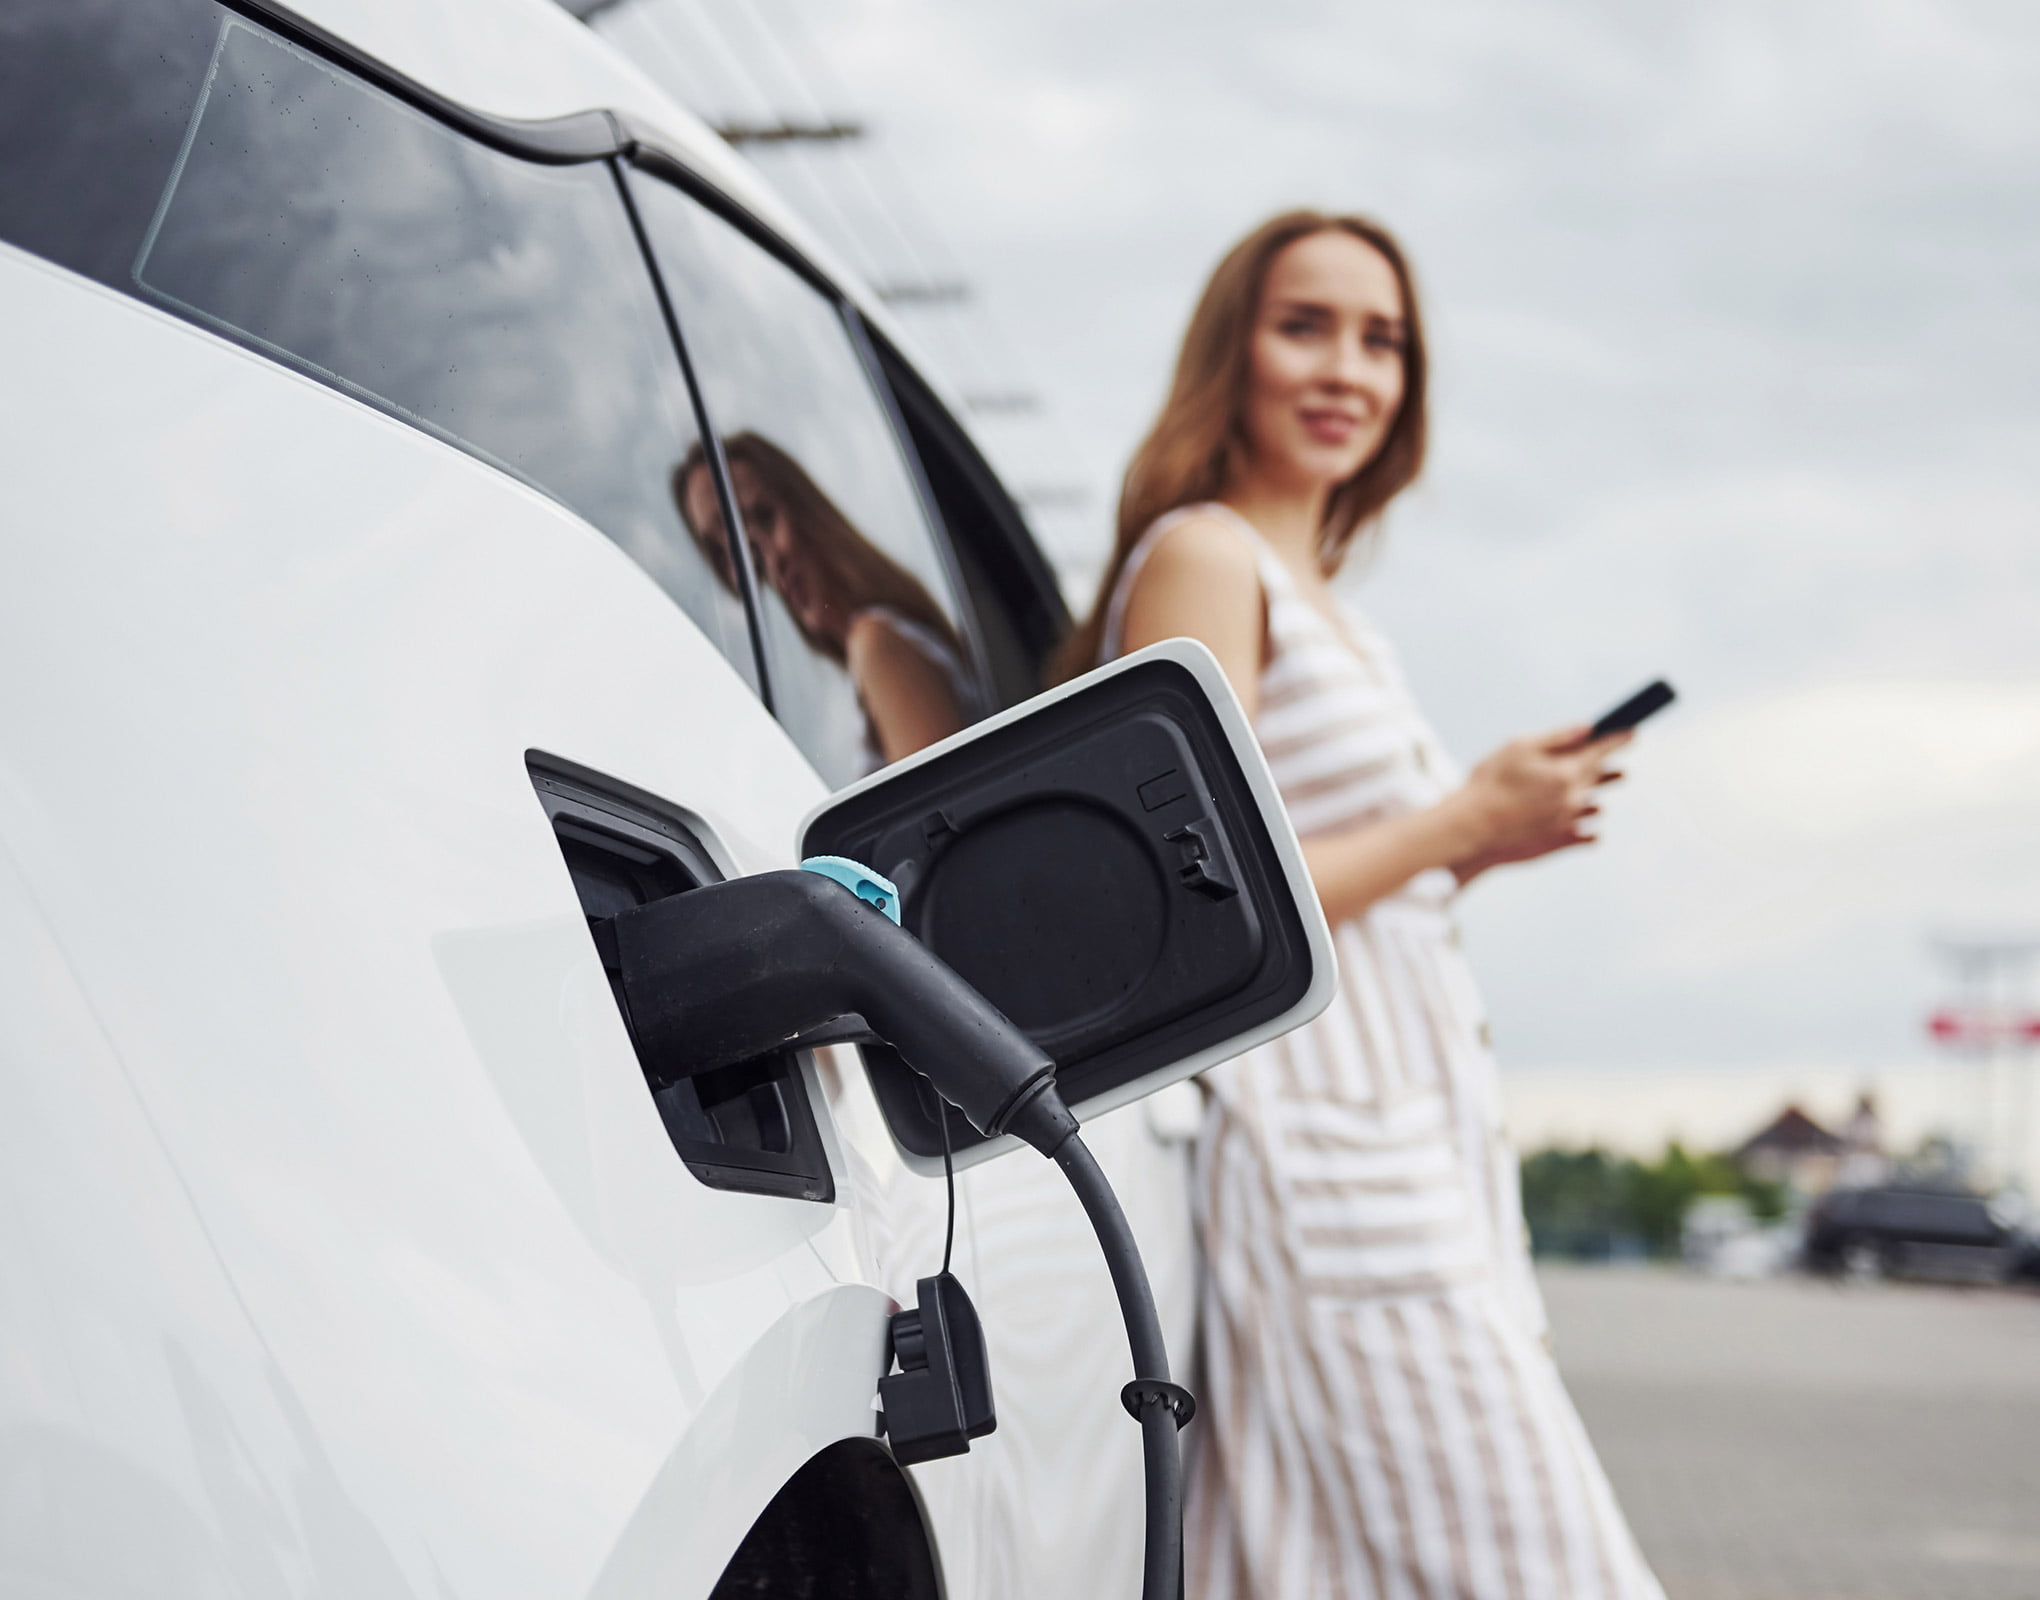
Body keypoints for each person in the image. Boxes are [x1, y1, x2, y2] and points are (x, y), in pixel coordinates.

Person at [1058, 211, 1664, 1600]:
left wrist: (1477, 844)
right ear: (1235, 352)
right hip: (1327, 1162)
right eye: (1306, 326)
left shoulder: (1339, 607)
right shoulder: (1206, 555)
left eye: (1382, 339)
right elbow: (1185, 892)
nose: (1348, 369)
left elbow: (1332, 868)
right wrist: (1460, 821)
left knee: (1306, 1567)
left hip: (1406, 1153)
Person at [677, 431, 971, 768]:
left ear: (806, 508)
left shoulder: (877, 643)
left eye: (763, 516)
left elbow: (939, 815)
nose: (767, 564)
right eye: (727, 550)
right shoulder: (877, 646)